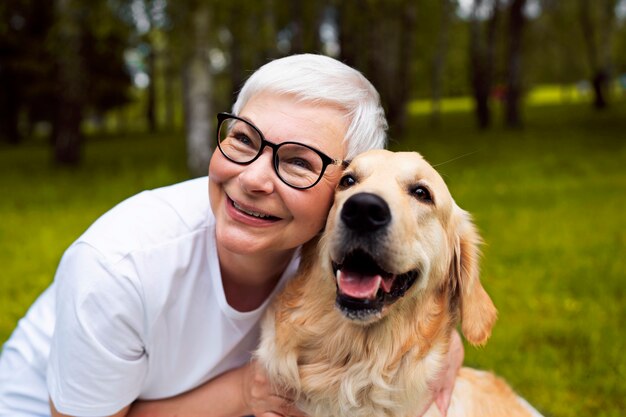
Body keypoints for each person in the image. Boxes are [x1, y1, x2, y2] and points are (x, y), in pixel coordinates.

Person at [0, 54, 463, 417]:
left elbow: (412, 307)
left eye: (299, 162)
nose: (254, 179)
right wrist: (244, 392)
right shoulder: (118, 264)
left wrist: (446, 345)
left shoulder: (336, 257)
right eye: (243, 140)